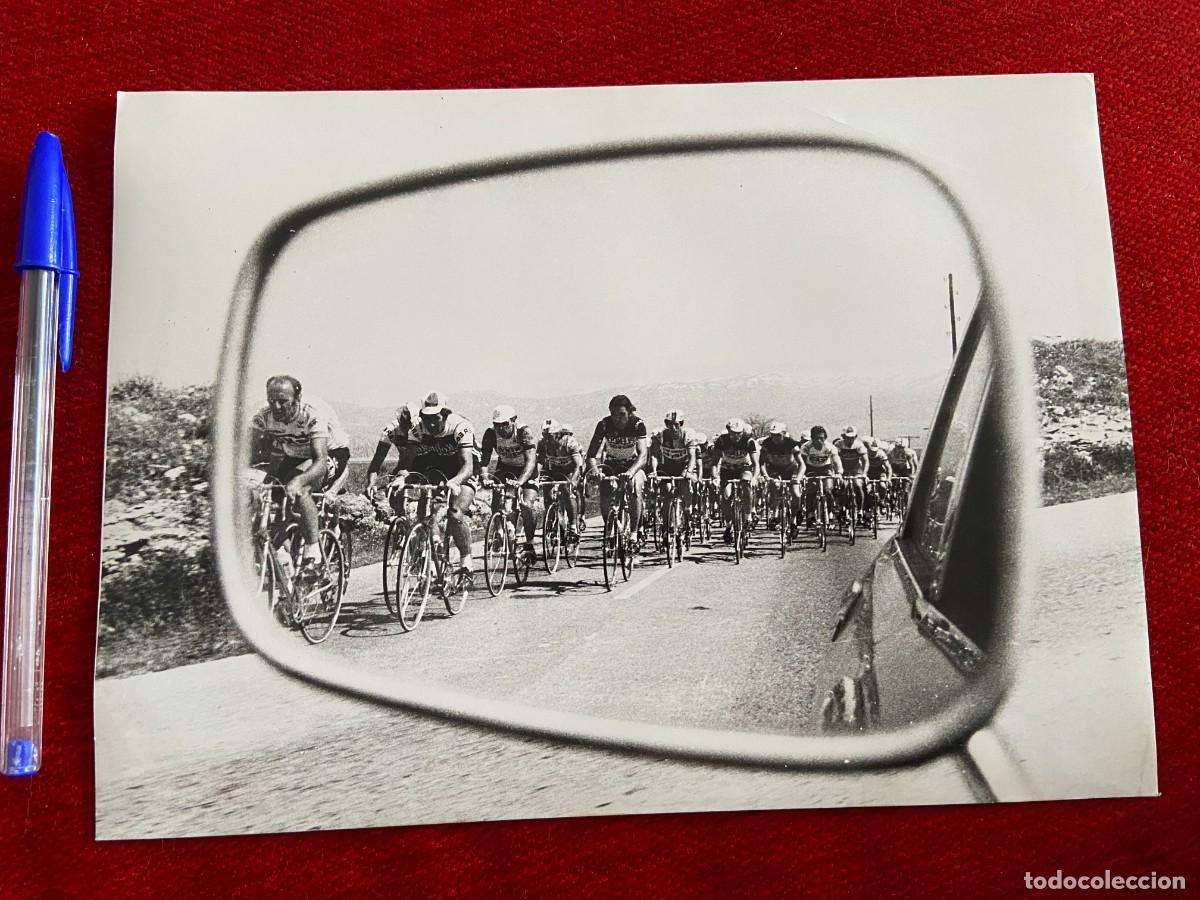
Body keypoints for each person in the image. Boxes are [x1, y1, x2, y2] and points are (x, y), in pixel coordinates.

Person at [249, 374, 351, 578]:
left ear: (297, 399)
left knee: (300, 486)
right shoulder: (264, 414)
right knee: (271, 496)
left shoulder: (312, 412)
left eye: (283, 402)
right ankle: (286, 556)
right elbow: (244, 451)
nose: (276, 407)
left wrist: (300, 480)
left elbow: (320, 461)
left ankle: (313, 551)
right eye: (271, 401)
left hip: (330, 453)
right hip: (294, 454)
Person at [410, 391, 478, 582]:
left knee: (455, 514)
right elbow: (409, 464)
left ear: (445, 415)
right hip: (437, 471)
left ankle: (466, 561)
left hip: (462, 472)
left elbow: (468, 466)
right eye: (427, 418)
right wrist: (402, 477)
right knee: (426, 515)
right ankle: (434, 557)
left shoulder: (460, 426)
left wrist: (455, 482)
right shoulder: (416, 429)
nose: (431, 424)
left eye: (436, 418)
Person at [586, 394, 649, 548]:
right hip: (611, 464)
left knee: (635, 488)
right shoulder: (604, 425)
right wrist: (595, 471)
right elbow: (591, 455)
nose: (617, 418)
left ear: (629, 412)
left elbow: (643, 455)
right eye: (613, 414)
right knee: (605, 494)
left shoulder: (637, 424)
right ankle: (609, 530)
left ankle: (634, 533)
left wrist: (632, 471)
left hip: (632, 464)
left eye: (621, 414)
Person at [480, 405, 539, 565]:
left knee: (527, 505)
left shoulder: (523, 432)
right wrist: (485, 477)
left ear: (513, 421)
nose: (500, 428)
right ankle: (498, 530)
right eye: (496, 424)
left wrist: (520, 482)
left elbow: (531, 461)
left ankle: (530, 543)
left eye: (504, 424)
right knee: (498, 497)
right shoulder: (490, 433)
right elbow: (484, 460)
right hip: (505, 467)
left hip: (526, 469)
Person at [649, 409, 699, 534]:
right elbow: (654, 455)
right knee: (666, 491)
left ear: (681, 424)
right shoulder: (660, 435)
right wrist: (654, 471)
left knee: (686, 484)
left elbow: (692, 456)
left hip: (683, 466)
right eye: (670, 424)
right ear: (666, 424)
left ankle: (688, 510)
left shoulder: (688, 435)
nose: (674, 427)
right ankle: (666, 525)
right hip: (667, 467)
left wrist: (689, 471)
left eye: (677, 424)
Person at [711, 417, 760, 543]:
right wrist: (715, 477)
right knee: (726, 496)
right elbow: (715, 462)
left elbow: (756, 464)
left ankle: (748, 517)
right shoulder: (721, 441)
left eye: (739, 433)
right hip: (727, 468)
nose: (737, 436)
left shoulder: (749, 441)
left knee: (746, 484)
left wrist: (754, 478)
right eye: (733, 433)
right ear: (728, 431)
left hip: (744, 467)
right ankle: (729, 525)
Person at [537, 419, 586, 538]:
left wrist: (573, 481)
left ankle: (573, 526)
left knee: (567, 491)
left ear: (558, 434)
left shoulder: (570, 443)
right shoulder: (543, 443)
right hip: (554, 470)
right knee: (547, 494)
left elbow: (577, 466)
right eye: (544, 435)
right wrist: (536, 478)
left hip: (570, 471)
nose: (547, 439)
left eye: (550, 436)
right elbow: (539, 463)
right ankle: (552, 522)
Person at [758, 421, 804, 538]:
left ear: (784, 433)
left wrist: (798, 478)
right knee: (775, 487)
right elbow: (761, 463)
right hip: (774, 469)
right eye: (773, 435)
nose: (775, 438)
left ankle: (793, 521)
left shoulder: (791, 443)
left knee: (796, 494)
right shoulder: (767, 443)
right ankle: (775, 514)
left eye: (778, 435)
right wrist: (766, 476)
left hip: (791, 469)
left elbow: (802, 464)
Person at [365, 401, 418, 502]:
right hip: (403, 467)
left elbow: (412, 461)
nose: (406, 428)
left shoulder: (420, 428)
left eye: (409, 425)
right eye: (403, 423)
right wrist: (371, 483)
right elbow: (376, 462)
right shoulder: (390, 430)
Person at [800, 425, 843, 524]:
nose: (819, 441)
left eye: (821, 438)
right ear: (812, 438)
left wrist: (839, 473)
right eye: (816, 438)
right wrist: (801, 474)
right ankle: (810, 513)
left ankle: (830, 512)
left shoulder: (830, 447)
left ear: (825, 438)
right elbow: (801, 463)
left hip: (825, 468)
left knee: (828, 489)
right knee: (811, 489)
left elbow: (837, 462)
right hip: (811, 468)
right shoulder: (806, 447)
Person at [834, 425, 870, 525]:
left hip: (856, 469)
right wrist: (837, 472)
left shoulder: (859, 445)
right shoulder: (838, 444)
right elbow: (834, 459)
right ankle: (842, 507)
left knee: (858, 485)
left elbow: (865, 461)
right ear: (843, 436)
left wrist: (864, 473)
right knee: (843, 486)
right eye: (847, 437)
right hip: (843, 469)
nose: (850, 440)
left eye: (852, 437)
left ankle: (860, 510)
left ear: (855, 437)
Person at [864, 436, 893, 523]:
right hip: (869, 473)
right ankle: (869, 508)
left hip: (880, 472)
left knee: (882, 485)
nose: (873, 452)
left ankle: (882, 501)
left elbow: (888, 467)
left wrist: (888, 479)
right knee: (868, 490)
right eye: (872, 450)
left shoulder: (881, 454)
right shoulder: (866, 453)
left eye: (875, 450)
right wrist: (864, 476)